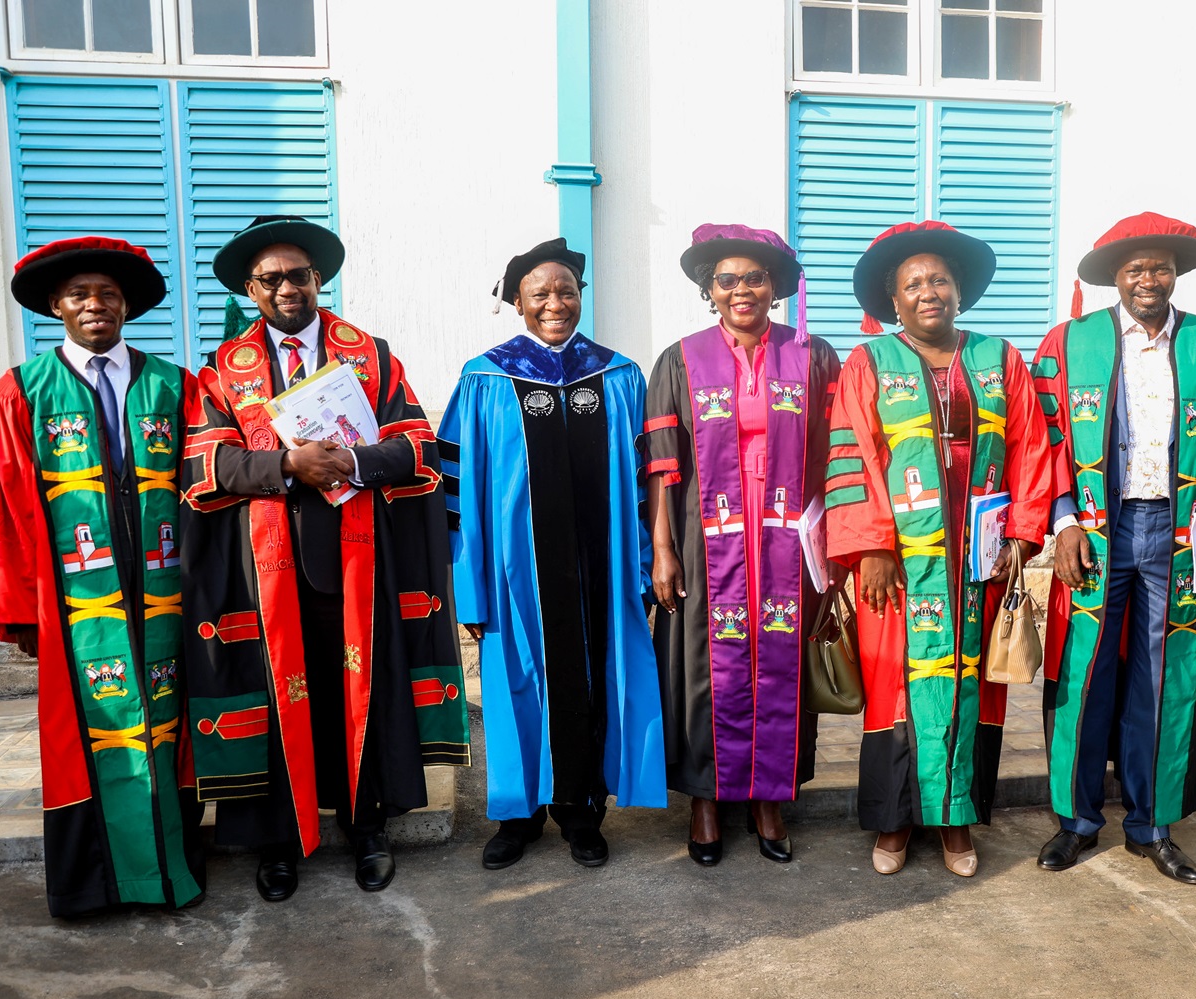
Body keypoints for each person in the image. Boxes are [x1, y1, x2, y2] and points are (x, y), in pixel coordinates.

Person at [181, 215, 468, 902]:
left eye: (299, 275)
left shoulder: (370, 357)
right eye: (272, 278)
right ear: (250, 289)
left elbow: (419, 449)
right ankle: (279, 843)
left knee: (355, 694)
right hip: (268, 572)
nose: (288, 287)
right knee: (288, 697)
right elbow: (204, 464)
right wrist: (287, 463)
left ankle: (368, 828)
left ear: (320, 280)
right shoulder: (223, 371)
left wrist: (355, 460)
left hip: (358, 564)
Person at [0, 236, 205, 916]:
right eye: (80, 294)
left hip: (163, 596)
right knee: (84, 734)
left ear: (126, 305)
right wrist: (19, 605)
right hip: (75, 604)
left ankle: (170, 868)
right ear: (55, 306)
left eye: (109, 293)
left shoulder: (173, 384)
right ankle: (92, 885)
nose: (96, 303)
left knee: (165, 726)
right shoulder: (19, 391)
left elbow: (205, 489)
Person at [1031, 211, 1196, 884]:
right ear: (1115, 276)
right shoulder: (1068, 343)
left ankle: (1152, 824)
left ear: (1177, 273)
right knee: (1084, 675)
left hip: (1181, 532)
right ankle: (1075, 822)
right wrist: (1062, 521)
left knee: (1165, 679)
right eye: (1135, 268)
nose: (1148, 278)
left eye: (1160, 266)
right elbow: (1044, 442)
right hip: (1098, 532)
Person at [826, 221, 1053, 877]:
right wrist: (869, 546)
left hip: (977, 557)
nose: (929, 291)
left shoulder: (998, 357)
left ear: (959, 291)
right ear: (894, 302)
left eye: (940, 280)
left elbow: (1032, 450)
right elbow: (852, 454)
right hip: (899, 559)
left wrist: (1021, 533)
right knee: (895, 683)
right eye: (914, 283)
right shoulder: (870, 363)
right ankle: (894, 822)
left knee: (972, 681)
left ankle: (956, 820)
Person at [442, 238, 665, 870]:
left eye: (566, 289)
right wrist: (471, 583)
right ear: (517, 303)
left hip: (601, 569)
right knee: (517, 683)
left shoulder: (618, 376)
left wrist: (643, 566)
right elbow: (456, 489)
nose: (554, 302)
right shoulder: (486, 379)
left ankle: (582, 812)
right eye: (539, 292)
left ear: (581, 297)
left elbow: (648, 481)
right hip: (517, 575)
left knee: (593, 684)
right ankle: (518, 815)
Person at [644, 223, 840, 866]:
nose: (741, 290)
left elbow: (837, 458)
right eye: (726, 279)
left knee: (780, 661)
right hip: (709, 535)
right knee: (706, 665)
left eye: (754, 277)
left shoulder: (812, 355)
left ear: (775, 286)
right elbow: (664, 468)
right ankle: (706, 799)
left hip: (788, 535)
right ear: (710, 290)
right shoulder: (681, 359)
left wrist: (832, 544)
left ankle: (768, 797)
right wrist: (663, 550)